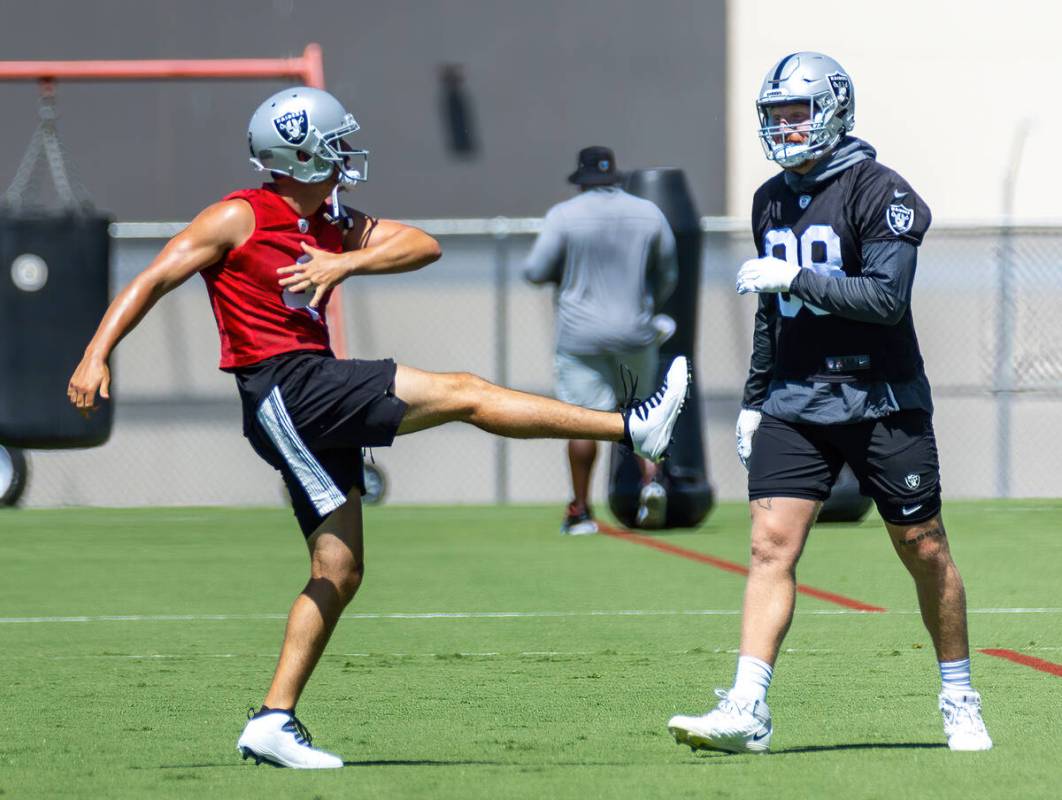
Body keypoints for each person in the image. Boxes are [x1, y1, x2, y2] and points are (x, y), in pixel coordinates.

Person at [66, 87, 690, 769]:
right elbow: (154, 276)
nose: (345, 158)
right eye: (333, 147)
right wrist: (98, 353)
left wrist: (347, 261)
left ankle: (273, 720)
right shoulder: (238, 215)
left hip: (305, 386)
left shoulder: (334, 223)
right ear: (299, 156)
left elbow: (425, 245)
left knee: (340, 567)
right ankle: (632, 427)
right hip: (285, 385)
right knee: (466, 393)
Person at [667, 53, 992, 753]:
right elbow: (771, 310)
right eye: (776, 115)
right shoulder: (768, 198)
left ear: (836, 110)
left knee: (924, 547)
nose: (785, 128)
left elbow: (884, 298)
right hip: (795, 396)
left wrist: (800, 275)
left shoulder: (882, 191)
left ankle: (958, 694)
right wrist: (755, 399)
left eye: (798, 113)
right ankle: (748, 706)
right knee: (767, 547)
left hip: (879, 395)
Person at [524, 146, 678, 533]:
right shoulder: (648, 212)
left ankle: (580, 510)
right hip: (634, 331)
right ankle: (653, 485)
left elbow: (535, 270)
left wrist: (568, 273)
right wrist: (647, 307)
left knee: (582, 420)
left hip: (580, 335)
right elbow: (670, 272)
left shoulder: (564, 216)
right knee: (644, 413)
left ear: (582, 180)